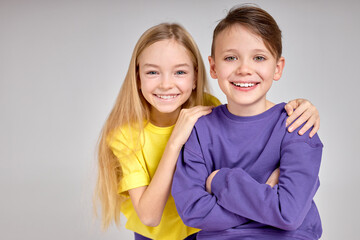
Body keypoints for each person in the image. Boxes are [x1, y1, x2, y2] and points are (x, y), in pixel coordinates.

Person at [94, 22, 321, 240]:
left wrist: (304, 106)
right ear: (138, 78)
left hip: (202, 231)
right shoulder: (127, 135)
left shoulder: (206, 110)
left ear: (195, 77)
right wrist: (174, 143)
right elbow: (151, 216)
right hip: (158, 235)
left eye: (179, 72)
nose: (166, 84)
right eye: (153, 72)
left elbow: (253, 108)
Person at [172, 5, 323, 240]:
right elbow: (193, 211)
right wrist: (268, 199)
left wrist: (221, 180)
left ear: (277, 67)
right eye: (231, 58)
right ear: (213, 67)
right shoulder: (200, 129)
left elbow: (289, 214)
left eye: (259, 57)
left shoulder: (298, 124)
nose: (244, 69)